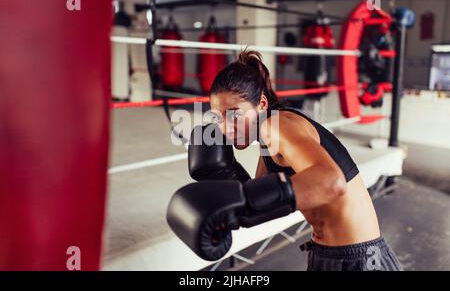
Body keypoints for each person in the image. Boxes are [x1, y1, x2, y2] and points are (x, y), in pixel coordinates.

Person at [167, 50, 403, 271]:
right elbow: (264, 201)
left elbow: (332, 182)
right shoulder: (266, 138)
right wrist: (225, 183)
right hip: (327, 254)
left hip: (360, 259)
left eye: (234, 115)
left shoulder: (276, 126)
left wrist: (242, 203)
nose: (226, 128)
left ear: (261, 104)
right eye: (218, 118)